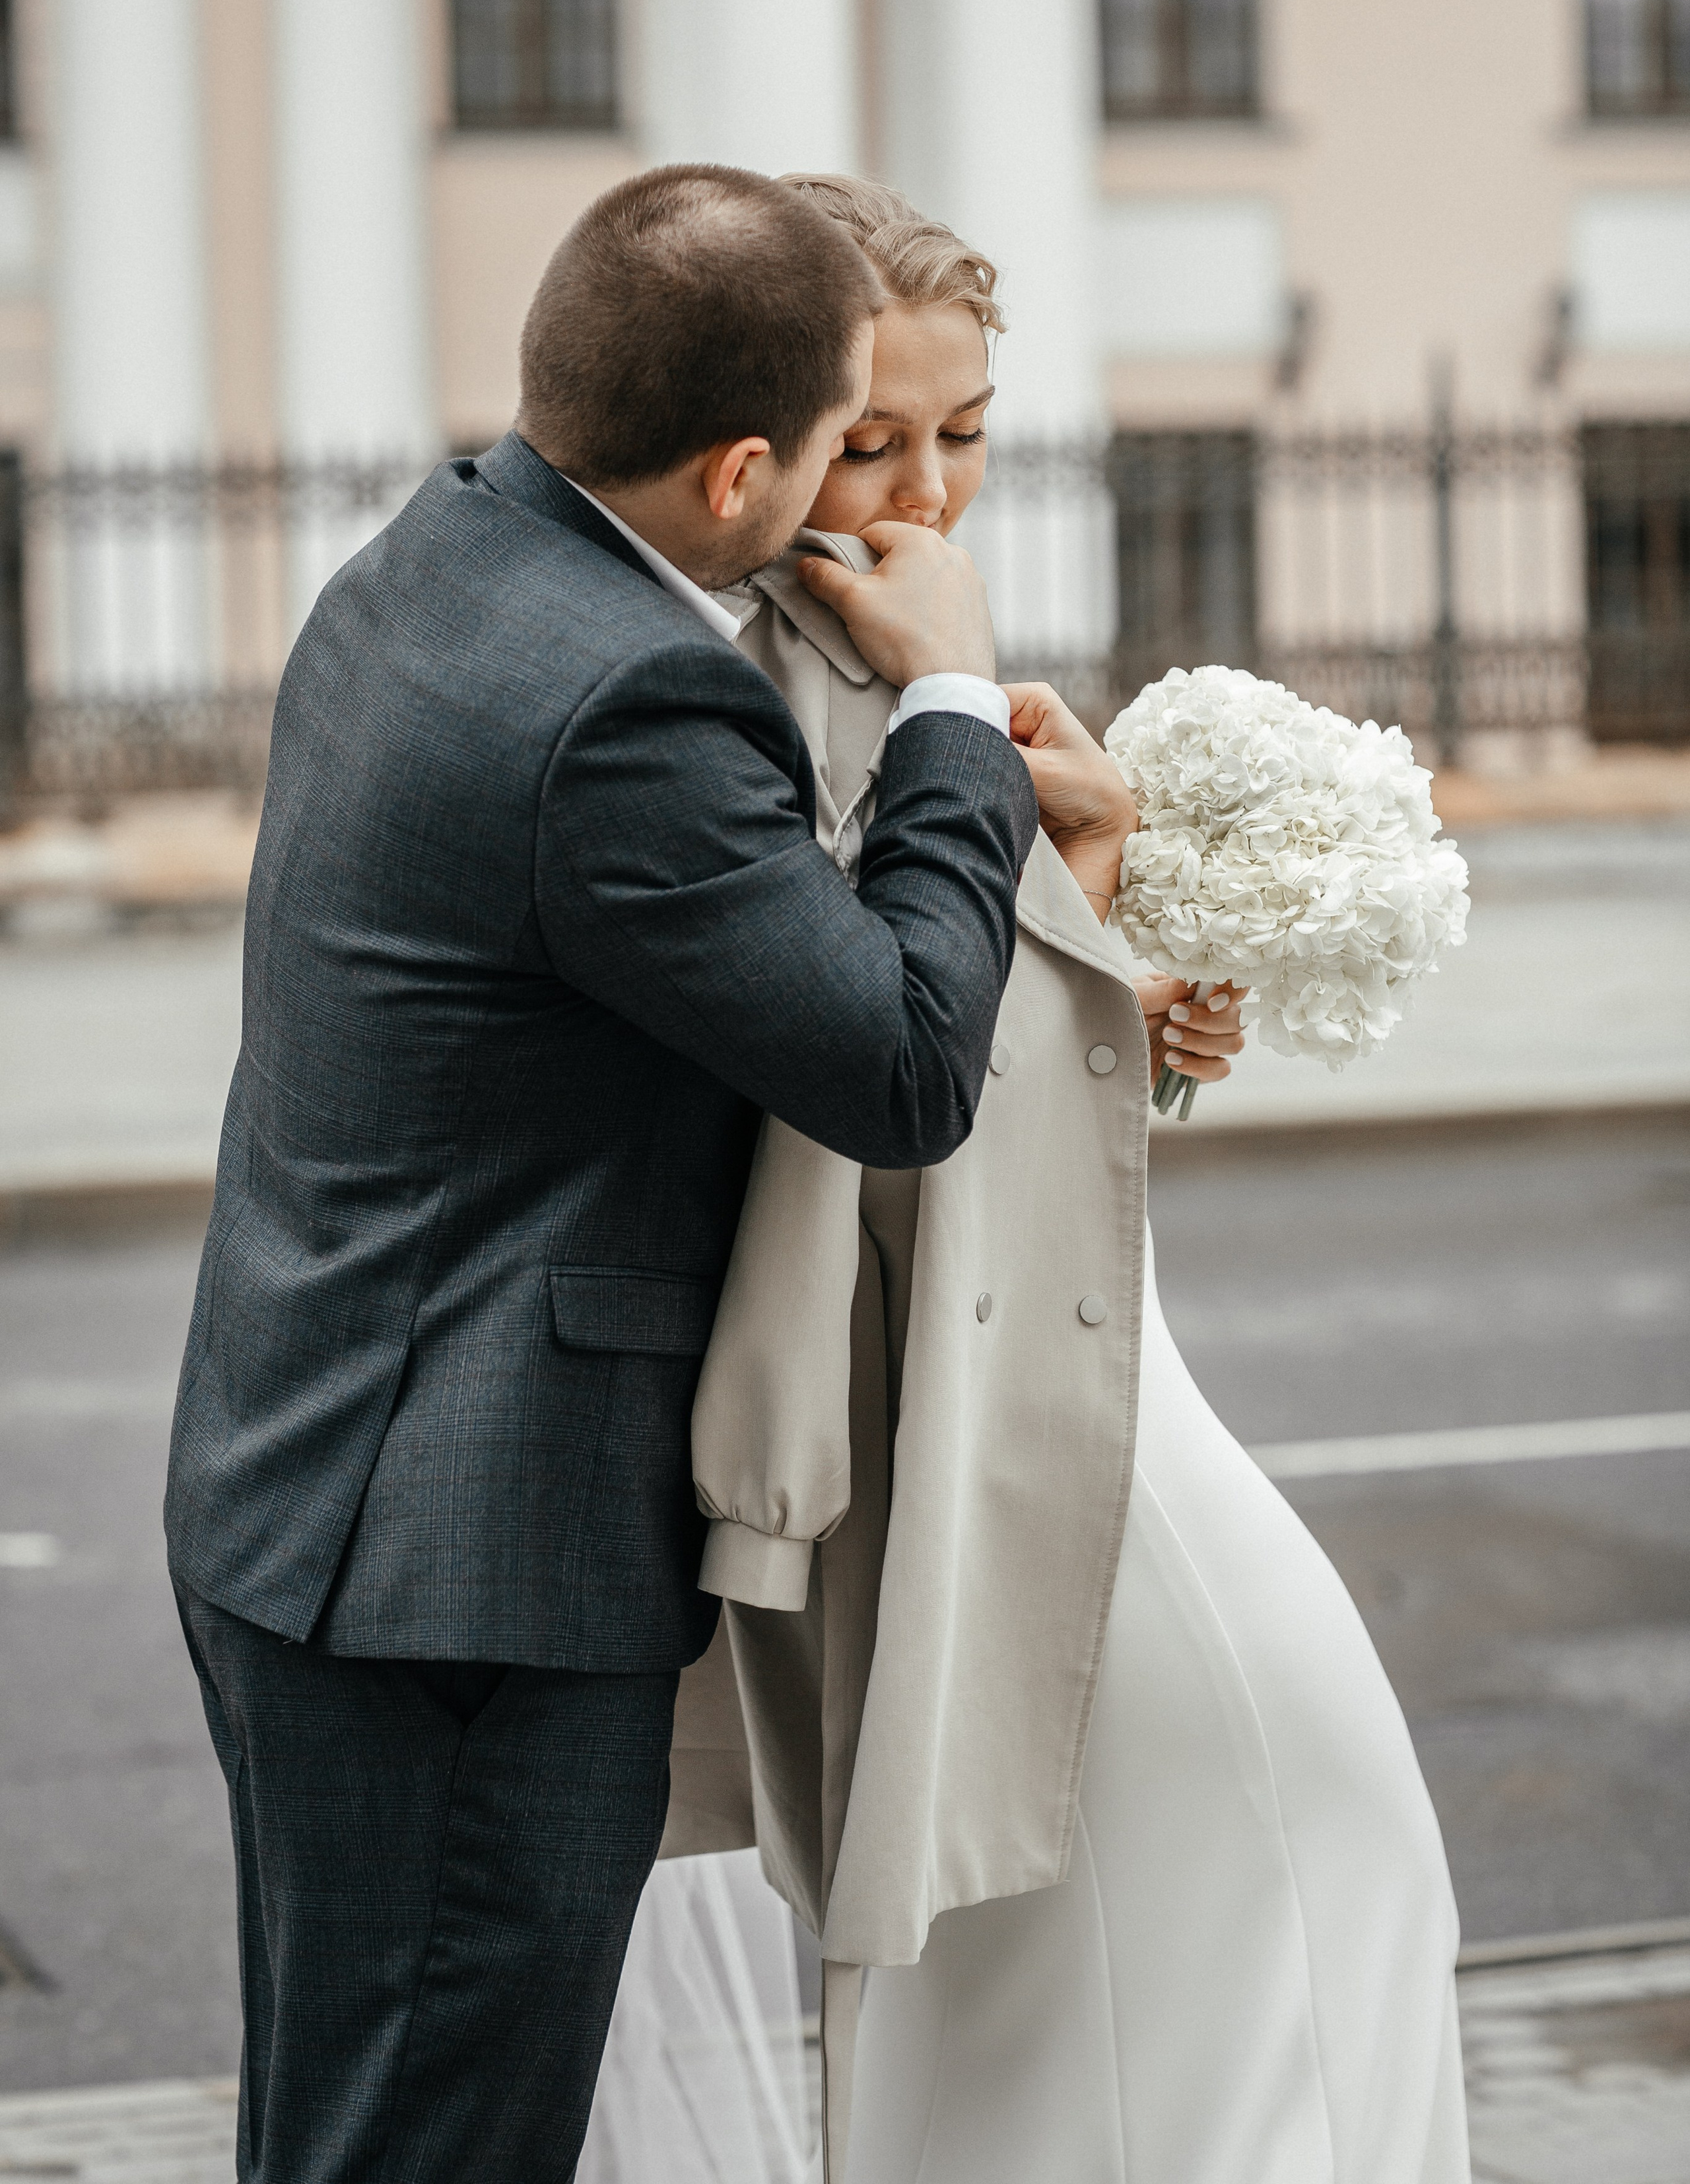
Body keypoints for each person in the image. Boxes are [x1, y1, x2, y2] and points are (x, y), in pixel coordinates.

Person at [161, 164, 1066, 2184]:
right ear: (744, 471)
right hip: (457, 1574)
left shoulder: (439, 557)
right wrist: (949, 698)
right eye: (848, 441)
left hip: (306, 1476)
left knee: (352, 2117)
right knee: (436, 2142)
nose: (888, 497)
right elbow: (904, 1060)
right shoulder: (631, 706)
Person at [659, 176, 1470, 2184]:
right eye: (877, 439)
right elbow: (878, 1083)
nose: (930, 489)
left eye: (967, 430)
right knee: (1298, 1843)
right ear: (770, 432)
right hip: (990, 1399)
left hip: (1076, 1355)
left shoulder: (912, 633)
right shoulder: (767, 682)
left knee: (1146, 1917)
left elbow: (1034, 1025)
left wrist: (1150, 992)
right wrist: (1090, 896)